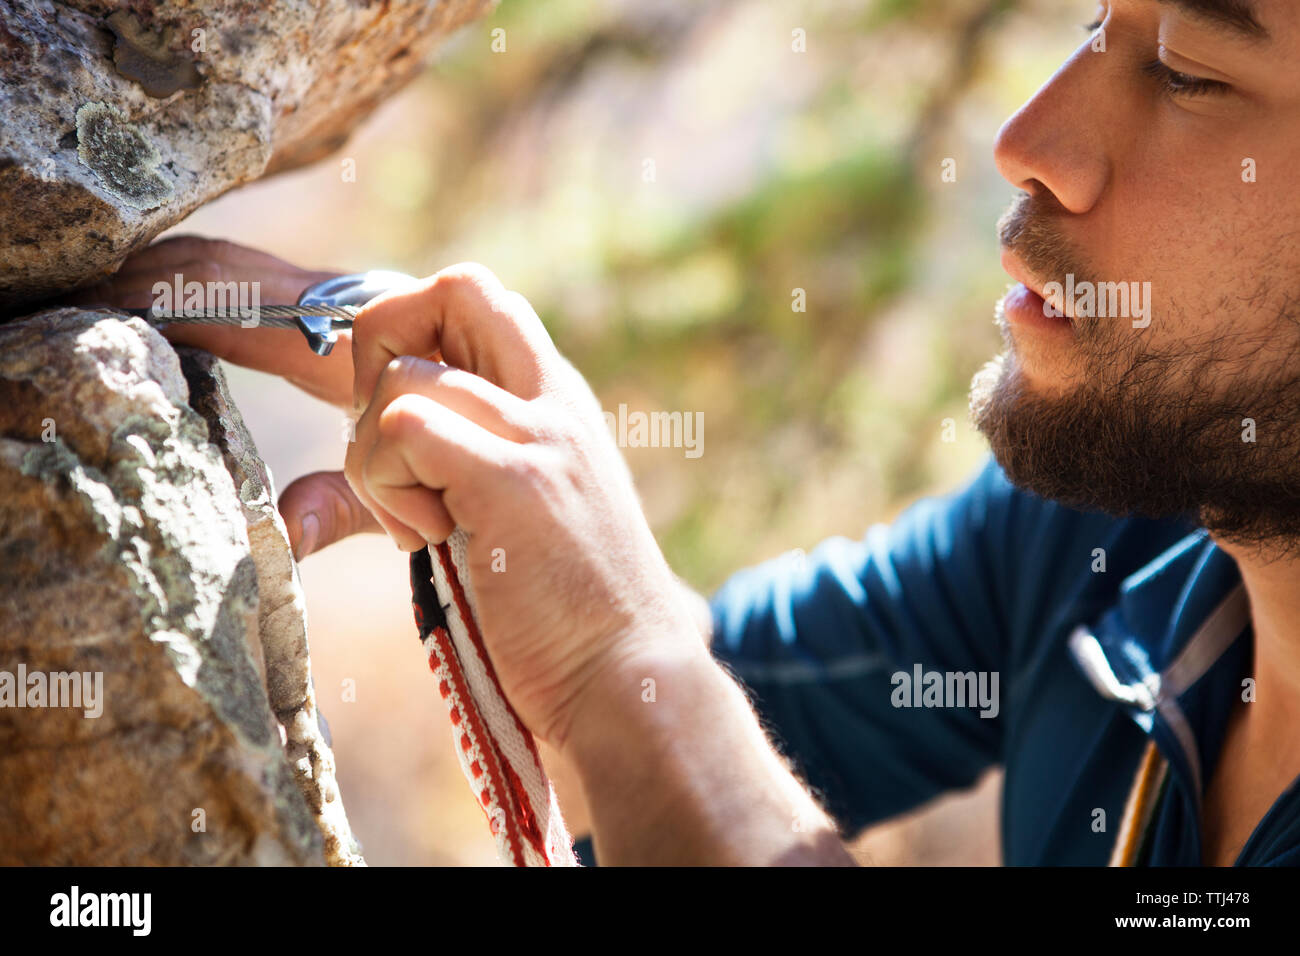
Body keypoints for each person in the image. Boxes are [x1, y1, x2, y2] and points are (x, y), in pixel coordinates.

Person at [77, 0, 1300, 866]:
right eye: (1093, 23)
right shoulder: (1103, 548)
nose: (1029, 142)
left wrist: (620, 655)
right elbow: (739, 711)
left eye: (1189, 68)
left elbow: (662, 704)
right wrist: (518, 486)